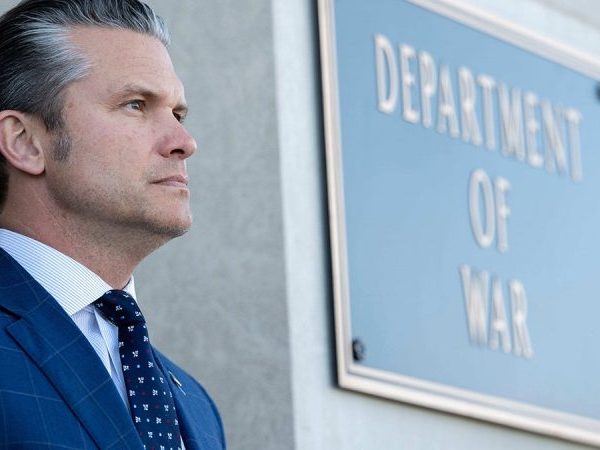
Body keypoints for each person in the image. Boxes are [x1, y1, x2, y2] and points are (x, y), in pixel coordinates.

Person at [0, 0, 225, 449]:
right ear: (24, 142)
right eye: (136, 105)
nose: (184, 142)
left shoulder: (197, 406)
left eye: (178, 114)